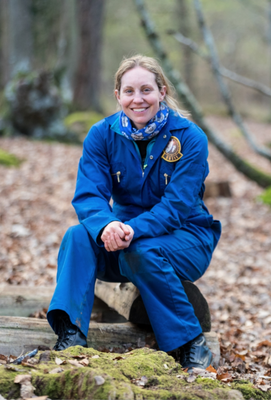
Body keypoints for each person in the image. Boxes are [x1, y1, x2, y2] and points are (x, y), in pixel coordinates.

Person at [46, 55, 221, 370]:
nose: (137, 99)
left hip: (186, 239)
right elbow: (89, 195)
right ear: (118, 95)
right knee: (77, 236)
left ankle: (191, 344)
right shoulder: (101, 135)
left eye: (146, 90)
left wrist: (132, 230)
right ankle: (70, 334)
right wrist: (107, 226)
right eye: (129, 91)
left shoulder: (190, 138)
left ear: (162, 91)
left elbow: (177, 207)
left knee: (141, 250)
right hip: (123, 240)